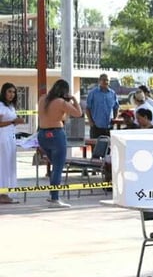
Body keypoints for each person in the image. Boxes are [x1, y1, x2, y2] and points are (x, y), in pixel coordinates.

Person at [38, 79, 83, 208]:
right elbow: (78, 113)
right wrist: (74, 99)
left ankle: (53, 194)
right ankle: (54, 198)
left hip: (43, 135)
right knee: (58, 168)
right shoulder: (61, 102)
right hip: (56, 134)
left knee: (54, 166)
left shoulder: (43, 99)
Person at [0, 83, 25, 204]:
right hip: (3, 138)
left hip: (11, 137)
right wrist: (12, 121)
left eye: (13, 92)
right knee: (3, 165)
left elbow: (11, 122)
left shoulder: (11, 106)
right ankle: (2, 193)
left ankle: (6, 192)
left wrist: (15, 122)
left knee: (9, 165)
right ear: (4, 92)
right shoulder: (1, 106)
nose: (11, 94)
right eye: (9, 91)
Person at [85, 73, 119, 139]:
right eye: (103, 80)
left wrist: (115, 119)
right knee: (96, 148)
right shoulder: (93, 93)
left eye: (107, 80)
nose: (106, 82)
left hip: (109, 127)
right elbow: (87, 108)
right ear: (99, 81)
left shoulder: (112, 94)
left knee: (108, 148)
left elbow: (116, 107)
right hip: (96, 127)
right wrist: (91, 122)